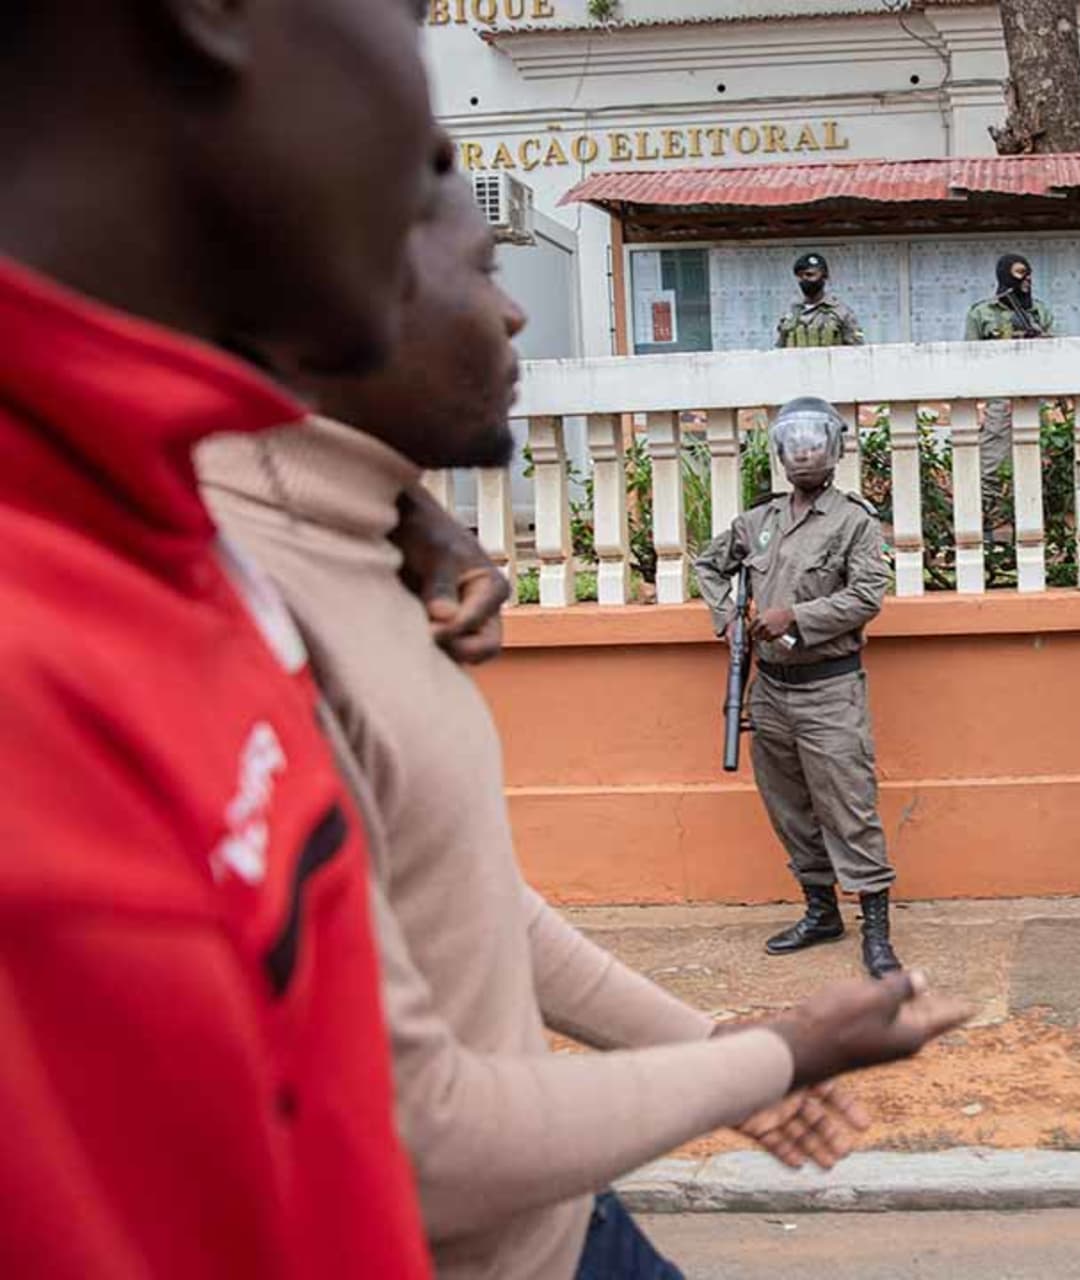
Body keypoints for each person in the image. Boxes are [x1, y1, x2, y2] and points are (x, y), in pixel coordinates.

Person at [201, 175, 972, 1280]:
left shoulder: (373, 549)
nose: (515, 313)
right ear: (343, 292)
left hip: (561, 1224)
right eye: (479, 271)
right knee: (796, 813)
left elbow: (467, 900)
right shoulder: (235, 604)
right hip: (445, 1249)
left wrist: (710, 1049)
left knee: (847, 811)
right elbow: (417, 1138)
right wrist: (766, 1057)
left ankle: (863, 910)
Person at [0, 1, 499, 1275]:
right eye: (414, 16)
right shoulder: (38, 688)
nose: (438, 146)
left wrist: (406, 511)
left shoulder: (149, 518)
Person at [692, 400, 905, 980]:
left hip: (829, 689)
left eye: (815, 441)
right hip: (771, 693)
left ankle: (877, 930)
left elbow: (867, 596)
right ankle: (820, 912)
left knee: (849, 807)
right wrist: (729, 620)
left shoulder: (854, 522)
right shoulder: (757, 522)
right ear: (780, 452)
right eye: (794, 441)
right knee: (788, 807)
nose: (804, 450)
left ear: (833, 450)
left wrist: (797, 617)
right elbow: (708, 566)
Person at [965, 252, 1055, 474]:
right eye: (1020, 273)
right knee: (991, 465)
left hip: (1036, 398)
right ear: (1005, 275)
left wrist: (1039, 339)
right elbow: (968, 359)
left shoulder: (1039, 311)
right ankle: (991, 509)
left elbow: (1055, 354)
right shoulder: (982, 313)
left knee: (1039, 466)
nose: (1027, 279)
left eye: (1029, 274)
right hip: (998, 399)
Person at [775, 251, 864, 348]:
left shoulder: (841, 313)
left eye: (810, 275)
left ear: (824, 276)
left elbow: (857, 350)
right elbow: (780, 351)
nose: (804, 279)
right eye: (800, 276)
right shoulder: (791, 314)